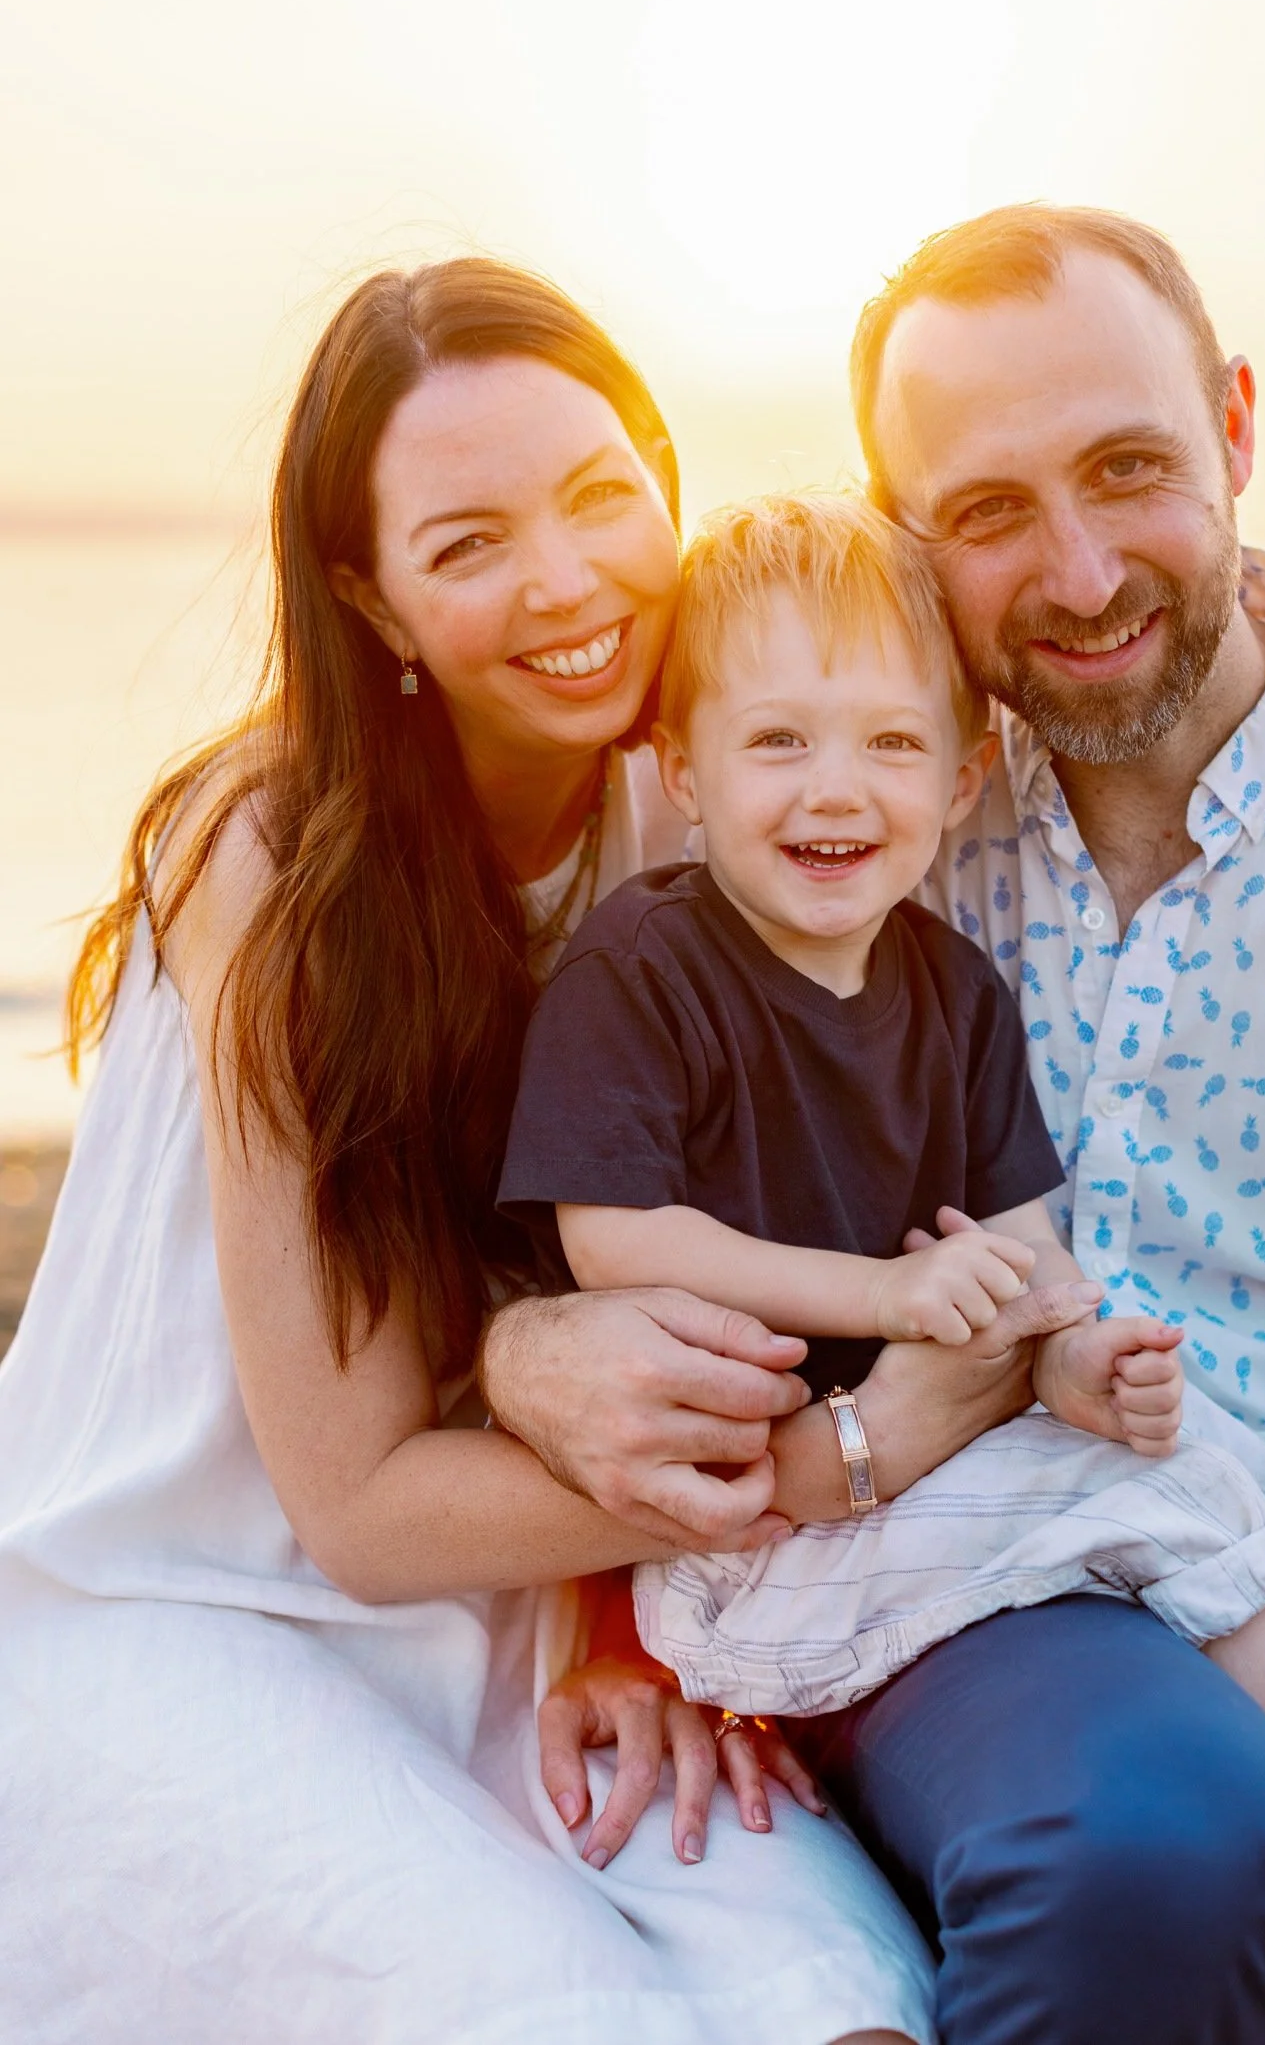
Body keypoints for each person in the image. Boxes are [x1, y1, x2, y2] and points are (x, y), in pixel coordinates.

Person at [0, 259, 950, 2045]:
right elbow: (357, 1511)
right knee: (568, 2015)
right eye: (470, 544)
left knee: (840, 1998)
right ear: (371, 597)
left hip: (528, 1591)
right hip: (198, 1597)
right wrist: (839, 1459)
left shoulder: (702, 791)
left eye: (601, 495)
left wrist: (621, 1625)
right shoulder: (270, 857)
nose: (567, 581)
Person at [500, 487, 1265, 2045]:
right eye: (778, 742)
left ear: (964, 775)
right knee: (1173, 1515)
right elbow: (614, 1242)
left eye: (892, 744)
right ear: (680, 768)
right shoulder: (645, 966)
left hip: (929, 1495)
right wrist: (886, 1301)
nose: (836, 788)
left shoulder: (951, 989)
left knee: (1213, 1478)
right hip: (750, 1554)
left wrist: (1075, 1358)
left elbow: (1029, 1253)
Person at [756, 200, 1265, 2044]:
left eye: (1129, 468)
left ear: (1235, 427)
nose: (1081, 574)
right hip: (982, 1564)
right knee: (1150, 1852)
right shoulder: (844, 828)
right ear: (902, 535)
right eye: (990, 511)